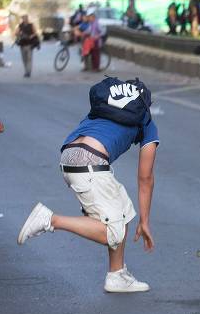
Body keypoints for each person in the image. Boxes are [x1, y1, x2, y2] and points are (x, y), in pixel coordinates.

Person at [17, 78, 159, 293]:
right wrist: (146, 221)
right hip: (91, 162)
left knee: (122, 208)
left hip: (70, 155)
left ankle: (117, 275)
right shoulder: (146, 121)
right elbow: (145, 178)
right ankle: (50, 220)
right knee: (114, 232)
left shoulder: (104, 108)